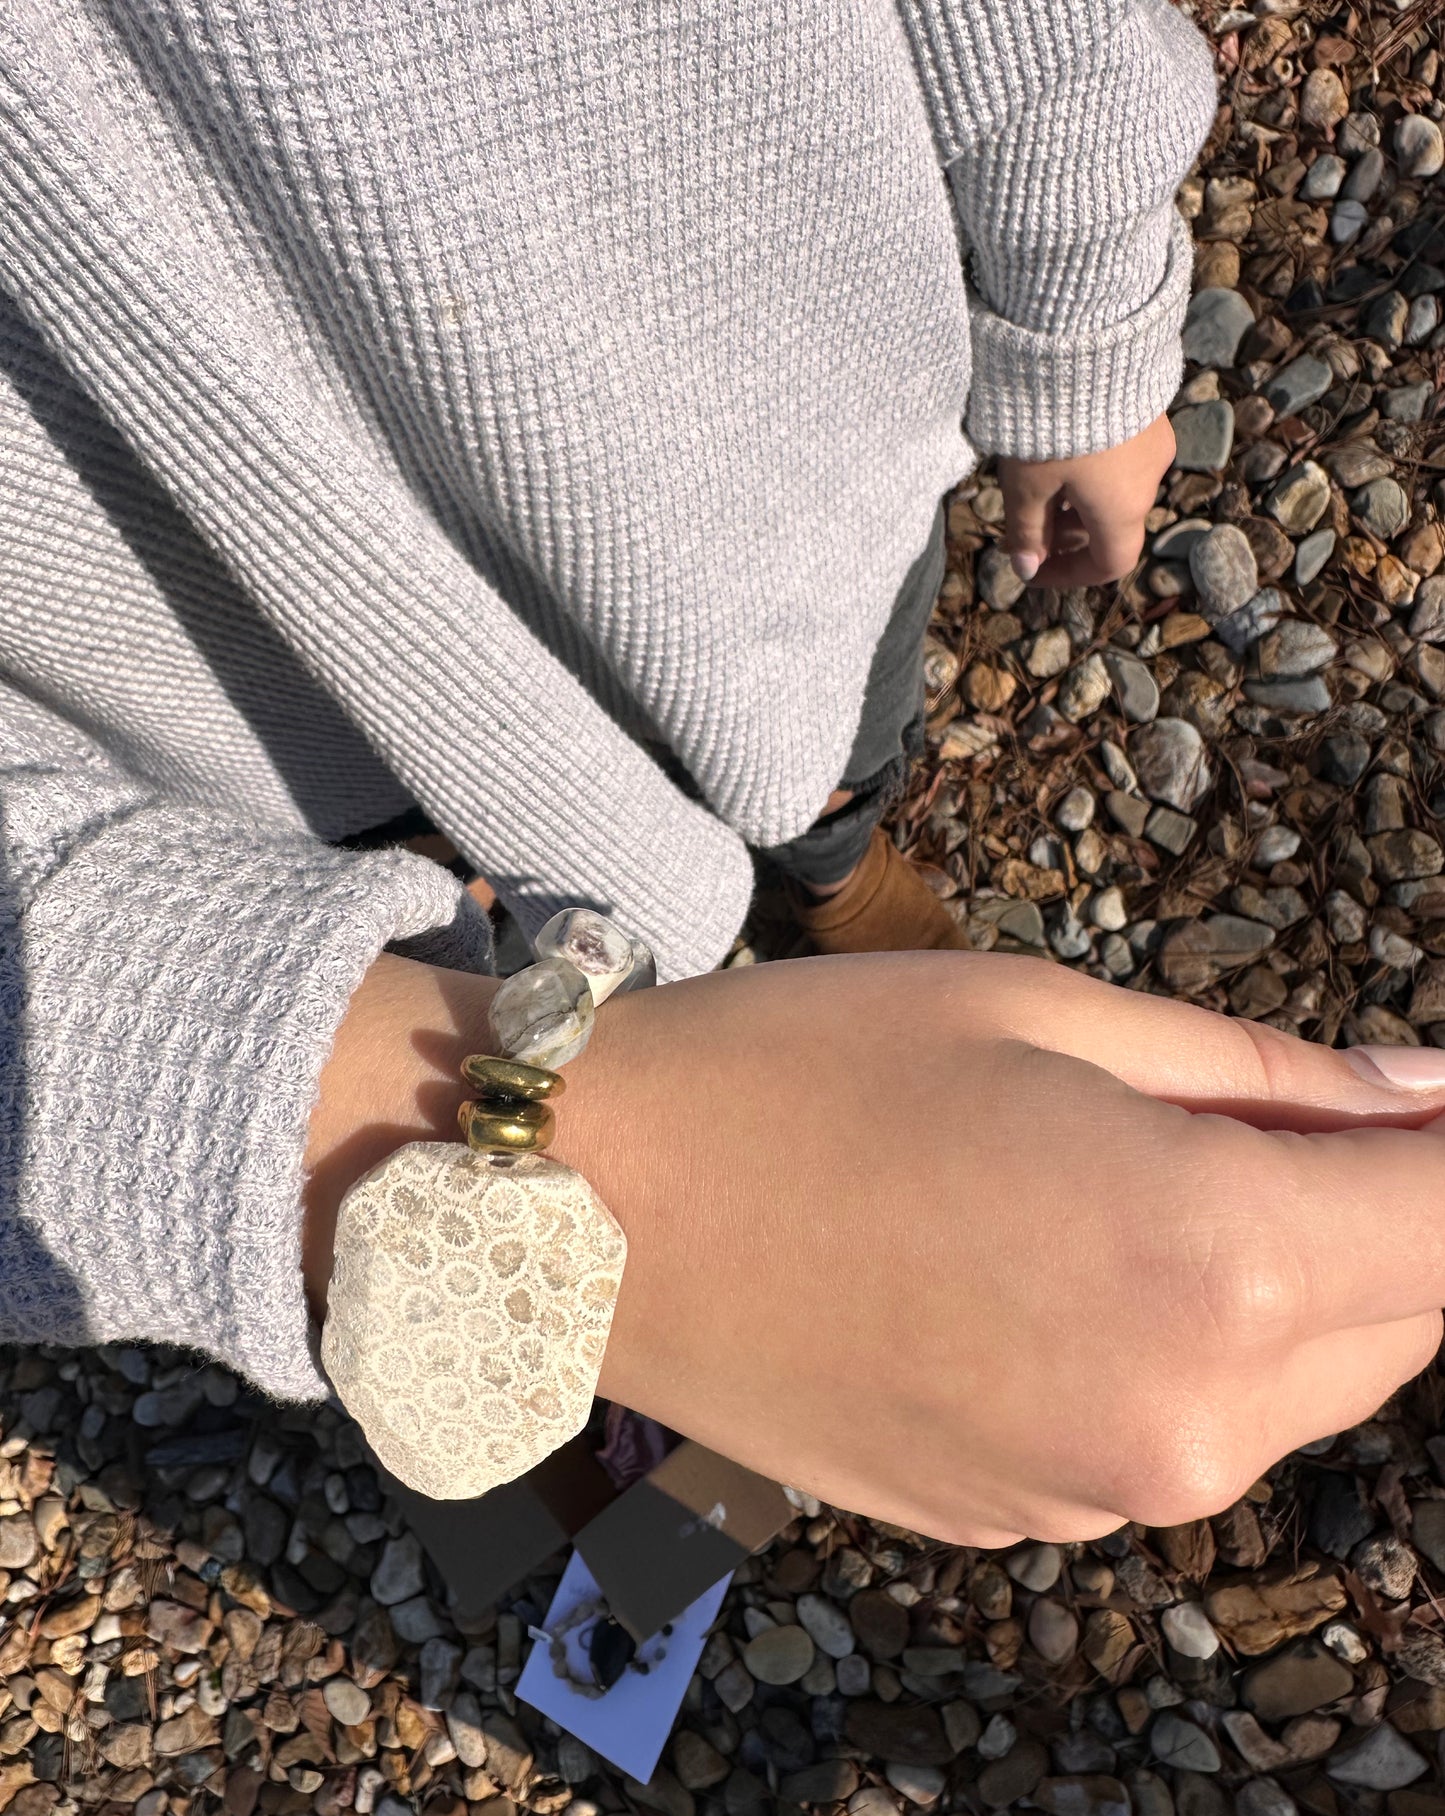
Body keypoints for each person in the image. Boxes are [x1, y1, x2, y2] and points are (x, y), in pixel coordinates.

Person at [2, 0, 1444, 1563]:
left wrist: (1085, 332)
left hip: (783, 555)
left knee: (829, 768)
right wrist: (412, 1122)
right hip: (236, 728)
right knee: (448, 913)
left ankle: (828, 872)